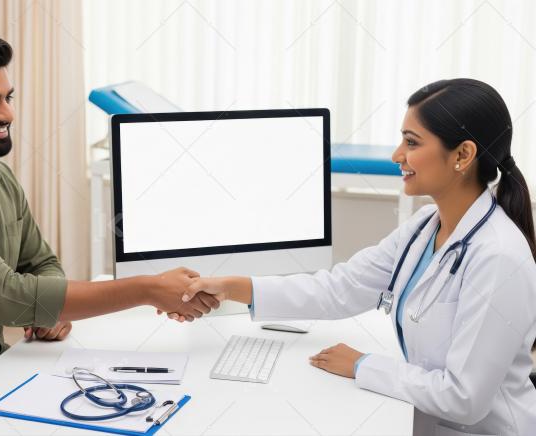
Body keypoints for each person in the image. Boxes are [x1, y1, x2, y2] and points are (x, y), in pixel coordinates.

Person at [0, 30, 219, 413]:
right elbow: (7, 297)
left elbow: (40, 263)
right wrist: (147, 290)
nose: (6, 114)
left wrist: (48, 315)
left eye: (8, 97)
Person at [181, 79, 536, 435]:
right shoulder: (424, 228)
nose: (397, 155)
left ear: (462, 155)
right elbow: (340, 288)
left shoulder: (499, 258)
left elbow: (464, 399)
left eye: (412, 142)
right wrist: (232, 287)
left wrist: (362, 365)